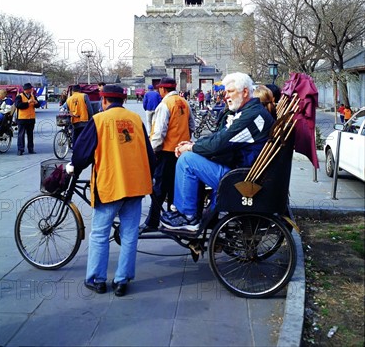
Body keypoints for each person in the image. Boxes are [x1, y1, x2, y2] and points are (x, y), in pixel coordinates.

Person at [66, 84, 155, 297]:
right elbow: (150, 156)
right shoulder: (136, 119)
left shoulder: (99, 120)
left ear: (104, 101)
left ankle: (97, 280)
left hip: (110, 185)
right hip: (135, 186)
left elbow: (82, 153)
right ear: (123, 100)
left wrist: (74, 167)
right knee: (130, 233)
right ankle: (122, 280)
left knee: (99, 233)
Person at [160, 72, 275, 232]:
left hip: (240, 177)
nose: (226, 96)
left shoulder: (252, 116)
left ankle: (187, 216)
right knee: (191, 156)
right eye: (226, 92)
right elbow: (221, 138)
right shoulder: (251, 112)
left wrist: (191, 147)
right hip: (243, 171)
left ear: (245, 92)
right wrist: (195, 144)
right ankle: (187, 211)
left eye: (230, 92)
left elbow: (220, 142)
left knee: (186, 161)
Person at [140, 76, 195, 232]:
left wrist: (152, 151)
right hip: (181, 152)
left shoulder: (165, 105)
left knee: (159, 188)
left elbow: (159, 133)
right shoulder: (184, 102)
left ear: (163, 89)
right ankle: (172, 218)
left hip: (166, 151)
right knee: (174, 187)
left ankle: (152, 221)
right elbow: (192, 125)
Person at [14, 83, 41, 155]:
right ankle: (20, 149)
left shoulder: (33, 96)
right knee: (21, 135)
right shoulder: (19, 96)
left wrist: (36, 103)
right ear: (25, 90)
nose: (30, 91)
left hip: (31, 118)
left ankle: (31, 149)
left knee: (30, 134)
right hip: (22, 118)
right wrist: (27, 103)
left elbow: (38, 105)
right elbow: (18, 105)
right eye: (28, 90)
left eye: (30, 89)